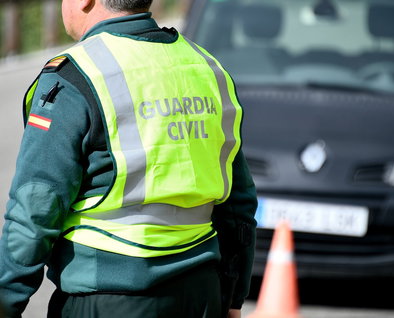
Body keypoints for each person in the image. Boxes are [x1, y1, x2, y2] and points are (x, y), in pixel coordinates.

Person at [0, 0, 257, 317]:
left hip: (108, 299)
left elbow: (34, 211)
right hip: (200, 296)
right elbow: (238, 203)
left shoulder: (75, 76)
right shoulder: (208, 68)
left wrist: (6, 302)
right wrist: (232, 298)